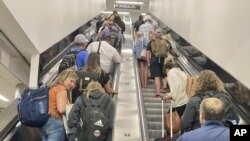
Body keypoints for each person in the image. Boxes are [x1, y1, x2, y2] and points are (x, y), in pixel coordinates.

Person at [39, 69, 78, 141]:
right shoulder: (61, 88)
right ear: (63, 78)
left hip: (45, 123)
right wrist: (74, 109)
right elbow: (61, 109)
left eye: (75, 83)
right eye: (71, 81)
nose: (73, 85)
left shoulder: (53, 88)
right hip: (55, 123)